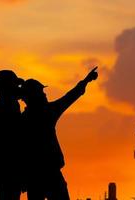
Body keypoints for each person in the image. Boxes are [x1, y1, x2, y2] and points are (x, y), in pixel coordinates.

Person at [21, 67, 98, 200]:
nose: (45, 95)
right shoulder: (47, 113)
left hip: (33, 177)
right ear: (34, 96)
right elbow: (69, 97)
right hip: (49, 175)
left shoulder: (22, 120)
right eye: (41, 92)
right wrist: (86, 81)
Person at [0, 70, 24, 200]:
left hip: (1, 166)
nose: (17, 88)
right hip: (6, 167)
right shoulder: (7, 105)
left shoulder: (5, 104)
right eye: (14, 85)